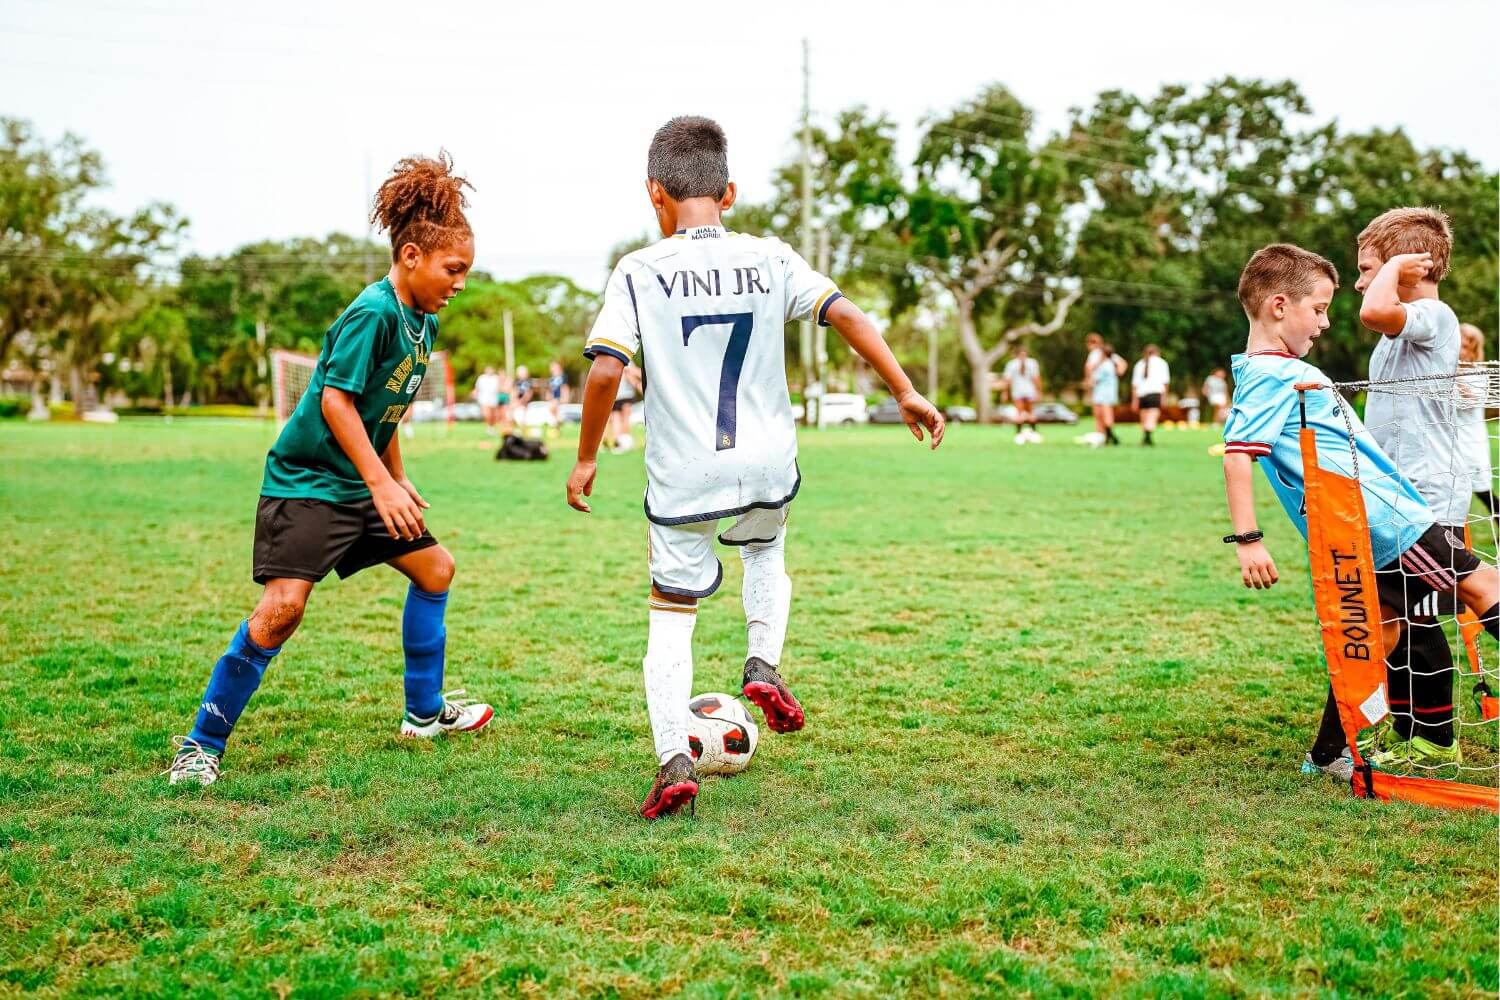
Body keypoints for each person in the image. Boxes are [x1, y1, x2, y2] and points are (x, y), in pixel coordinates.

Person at [566, 116, 945, 819]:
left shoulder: (639, 271)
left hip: (685, 473)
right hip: (767, 460)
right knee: (766, 553)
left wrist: (588, 457)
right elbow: (847, 313)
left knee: (671, 615)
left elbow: (605, 372)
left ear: (655, 194)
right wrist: (904, 390)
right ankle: (761, 663)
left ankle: (673, 758)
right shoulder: (771, 258)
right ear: (729, 191)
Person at [168, 154, 493, 786]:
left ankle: (424, 714)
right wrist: (378, 481)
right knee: (283, 608)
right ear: (410, 257)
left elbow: (386, 407)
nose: (459, 283)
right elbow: (335, 401)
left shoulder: (421, 322)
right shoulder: (373, 311)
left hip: (362, 481)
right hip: (310, 484)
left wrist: (394, 476)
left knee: (435, 567)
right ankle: (201, 743)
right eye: (453, 270)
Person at [1219, 243, 1498, 782]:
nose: (1325, 323)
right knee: (1484, 585)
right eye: (1318, 309)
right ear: (1279, 306)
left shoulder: (1277, 371)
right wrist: (1248, 538)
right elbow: (1237, 454)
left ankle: (1327, 755)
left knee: (1380, 633)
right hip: (1388, 523)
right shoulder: (1272, 374)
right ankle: (1341, 750)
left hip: (1362, 527)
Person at [1353, 207, 1471, 767]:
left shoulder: (1435, 315)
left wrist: (1393, 266)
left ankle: (1437, 739)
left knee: (1424, 620)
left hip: (1428, 500)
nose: (1360, 282)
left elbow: (1374, 309)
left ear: (1410, 266)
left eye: (1369, 267)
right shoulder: (1403, 326)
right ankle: (1405, 728)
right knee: (1393, 620)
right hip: (1388, 500)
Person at [1458, 324, 1496, 528]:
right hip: (1451, 440)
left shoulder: (1479, 374)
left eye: (1464, 345)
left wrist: (1453, 374)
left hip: (1471, 441)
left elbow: (1470, 400)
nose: (1459, 349)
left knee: (1483, 491)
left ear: (1473, 349)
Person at [1001, 345, 1042, 444]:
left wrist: (1039, 391)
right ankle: (1018, 434)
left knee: (1030, 413)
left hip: (1030, 391)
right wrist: (1005, 392)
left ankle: (1034, 433)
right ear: (1017, 355)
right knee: (1019, 414)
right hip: (1017, 391)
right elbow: (1008, 380)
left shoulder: (1032, 363)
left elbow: (1036, 378)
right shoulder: (1012, 364)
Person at [1087, 342, 1125, 446]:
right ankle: (1105, 436)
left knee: (1104, 416)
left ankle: (1109, 436)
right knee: (1100, 415)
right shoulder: (1108, 363)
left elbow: (1095, 379)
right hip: (1103, 393)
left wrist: (1089, 383)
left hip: (1104, 393)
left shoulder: (1106, 365)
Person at [1131, 344, 1170, 446]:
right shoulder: (1162, 363)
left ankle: (1146, 437)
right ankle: (1148, 435)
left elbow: (1134, 385)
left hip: (1141, 394)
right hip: (1155, 393)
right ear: (1157, 352)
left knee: (1144, 417)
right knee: (1152, 416)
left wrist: (1134, 400)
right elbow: (1165, 383)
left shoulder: (1139, 364)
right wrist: (1164, 398)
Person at [607, 361, 643, 453]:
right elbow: (632, 373)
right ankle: (624, 441)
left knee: (616, 418)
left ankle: (617, 443)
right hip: (625, 394)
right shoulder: (627, 359)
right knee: (626, 418)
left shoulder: (612, 360)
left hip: (614, 394)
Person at [475, 365, 502, 435]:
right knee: (487, 414)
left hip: (493, 398)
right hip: (484, 398)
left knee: (493, 415)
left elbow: (499, 387)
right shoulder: (481, 378)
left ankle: (492, 427)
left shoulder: (496, 378)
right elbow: (477, 388)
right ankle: (488, 427)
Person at [547, 360, 569, 438]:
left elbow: (565, 387)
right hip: (554, 398)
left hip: (559, 397)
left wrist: (565, 397)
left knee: (553, 410)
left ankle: (558, 425)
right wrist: (549, 396)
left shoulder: (562, 377)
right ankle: (557, 427)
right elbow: (551, 389)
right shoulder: (552, 378)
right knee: (554, 412)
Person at [511, 365, 534, 432]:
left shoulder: (528, 382)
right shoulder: (516, 382)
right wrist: (515, 400)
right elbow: (514, 392)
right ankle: (513, 429)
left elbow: (529, 393)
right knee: (511, 413)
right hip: (517, 401)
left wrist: (522, 401)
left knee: (523, 416)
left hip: (525, 403)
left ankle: (523, 429)